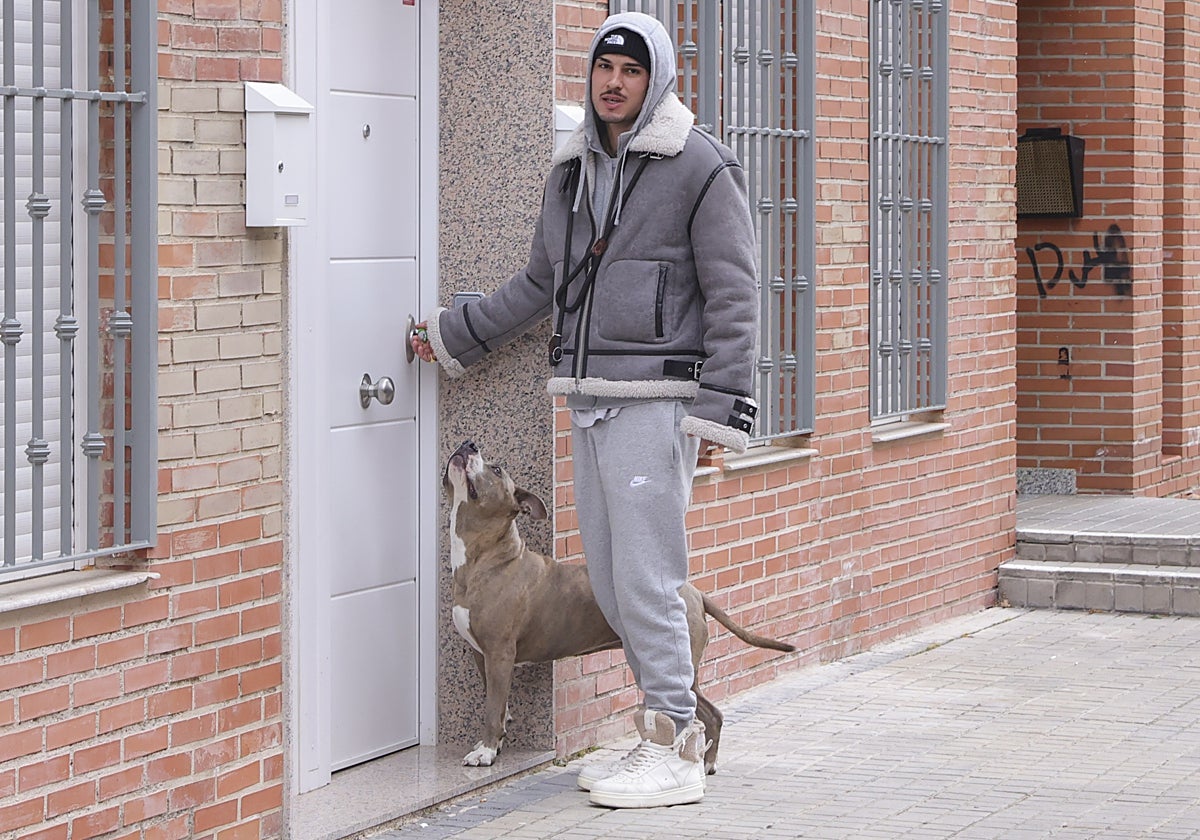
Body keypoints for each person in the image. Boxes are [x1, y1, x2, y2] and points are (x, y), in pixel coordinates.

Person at [411, 11, 759, 809]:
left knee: (646, 577)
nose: (614, 82)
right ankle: (663, 737)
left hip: (658, 399)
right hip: (591, 396)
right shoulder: (571, 173)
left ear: (657, 79)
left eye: (631, 71)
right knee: (609, 575)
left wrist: (716, 415)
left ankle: (675, 739)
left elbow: (737, 291)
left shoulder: (699, 166)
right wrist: (449, 335)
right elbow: (542, 284)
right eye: (605, 68)